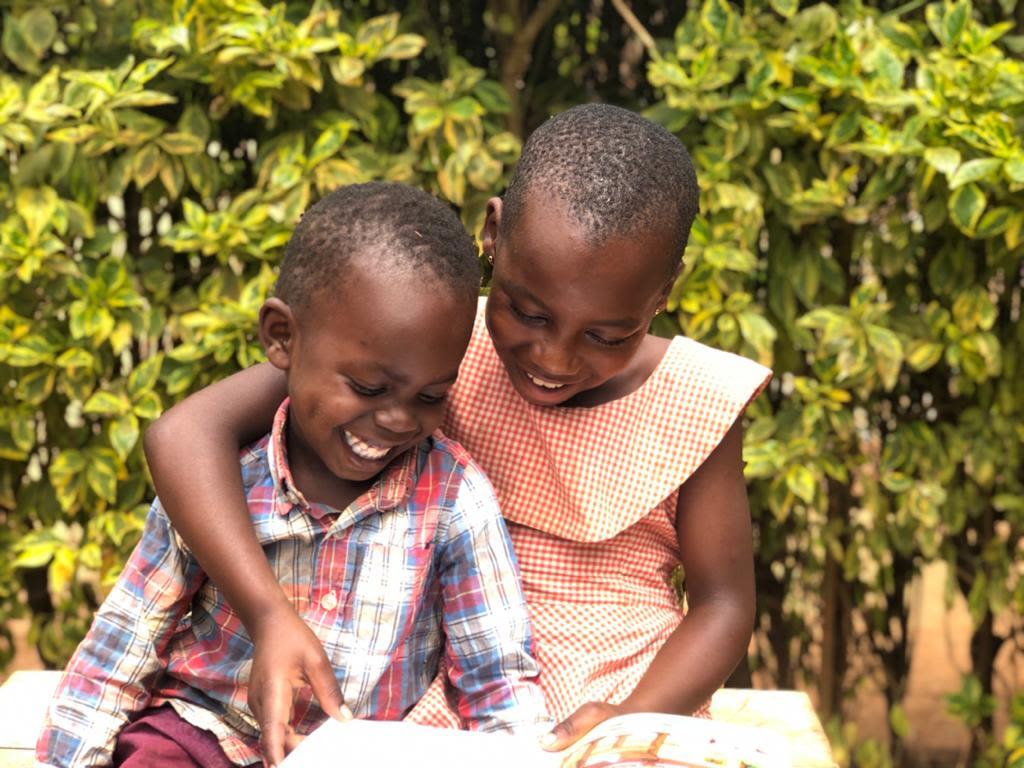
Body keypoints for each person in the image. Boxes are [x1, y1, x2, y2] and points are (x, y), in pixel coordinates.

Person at [143, 104, 772, 766]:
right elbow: (184, 434)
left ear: (664, 292)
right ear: (493, 235)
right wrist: (268, 611)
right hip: (451, 695)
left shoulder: (697, 397)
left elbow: (724, 604)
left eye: (607, 335)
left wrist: (634, 714)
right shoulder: (427, 349)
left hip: (632, 695)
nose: (553, 359)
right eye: (528, 312)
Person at [38, 183, 547, 768]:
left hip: (356, 753)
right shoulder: (223, 482)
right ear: (282, 337)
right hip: (204, 733)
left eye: (431, 394)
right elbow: (121, 649)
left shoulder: (455, 499)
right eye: (368, 387)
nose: (398, 418)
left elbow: (497, 680)